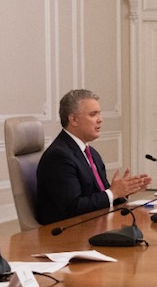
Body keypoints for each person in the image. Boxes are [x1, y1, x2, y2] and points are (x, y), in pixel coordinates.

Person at [36, 89, 151, 225]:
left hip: (94, 224)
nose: (100, 120)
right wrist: (113, 193)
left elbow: (101, 196)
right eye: (93, 114)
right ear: (73, 119)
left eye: (99, 114)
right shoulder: (59, 157)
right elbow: (73, 207)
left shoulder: (91, 153)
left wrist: (123, 192)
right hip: (69, 232)